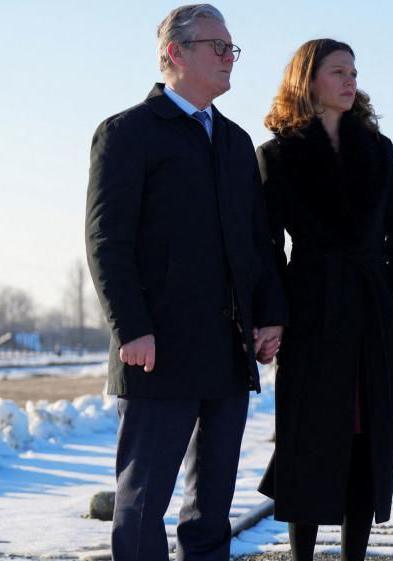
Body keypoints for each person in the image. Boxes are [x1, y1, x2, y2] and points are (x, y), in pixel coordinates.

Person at [84, 5, 286, 561]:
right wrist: (132, 328)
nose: (229, 59)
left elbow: (260, 242)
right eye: (217, 47)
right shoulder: (127, 134)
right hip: (157, 351)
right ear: (175, 53)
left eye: (231, 49)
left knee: (212, 510)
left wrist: (270, 315)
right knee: (144, 503)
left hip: (227, 351)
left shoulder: (236, 143)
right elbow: (108, 242)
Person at [256, 38, 393, 561]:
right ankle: (301, 554)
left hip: (375, 313)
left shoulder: (379, 149)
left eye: (354, 72)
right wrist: (276, 315)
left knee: (366, 438)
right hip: (311, 314)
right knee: (307, 439)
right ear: (308, 81)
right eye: (338, 72)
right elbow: (265, 247)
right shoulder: (277, 156)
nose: (351, 81)